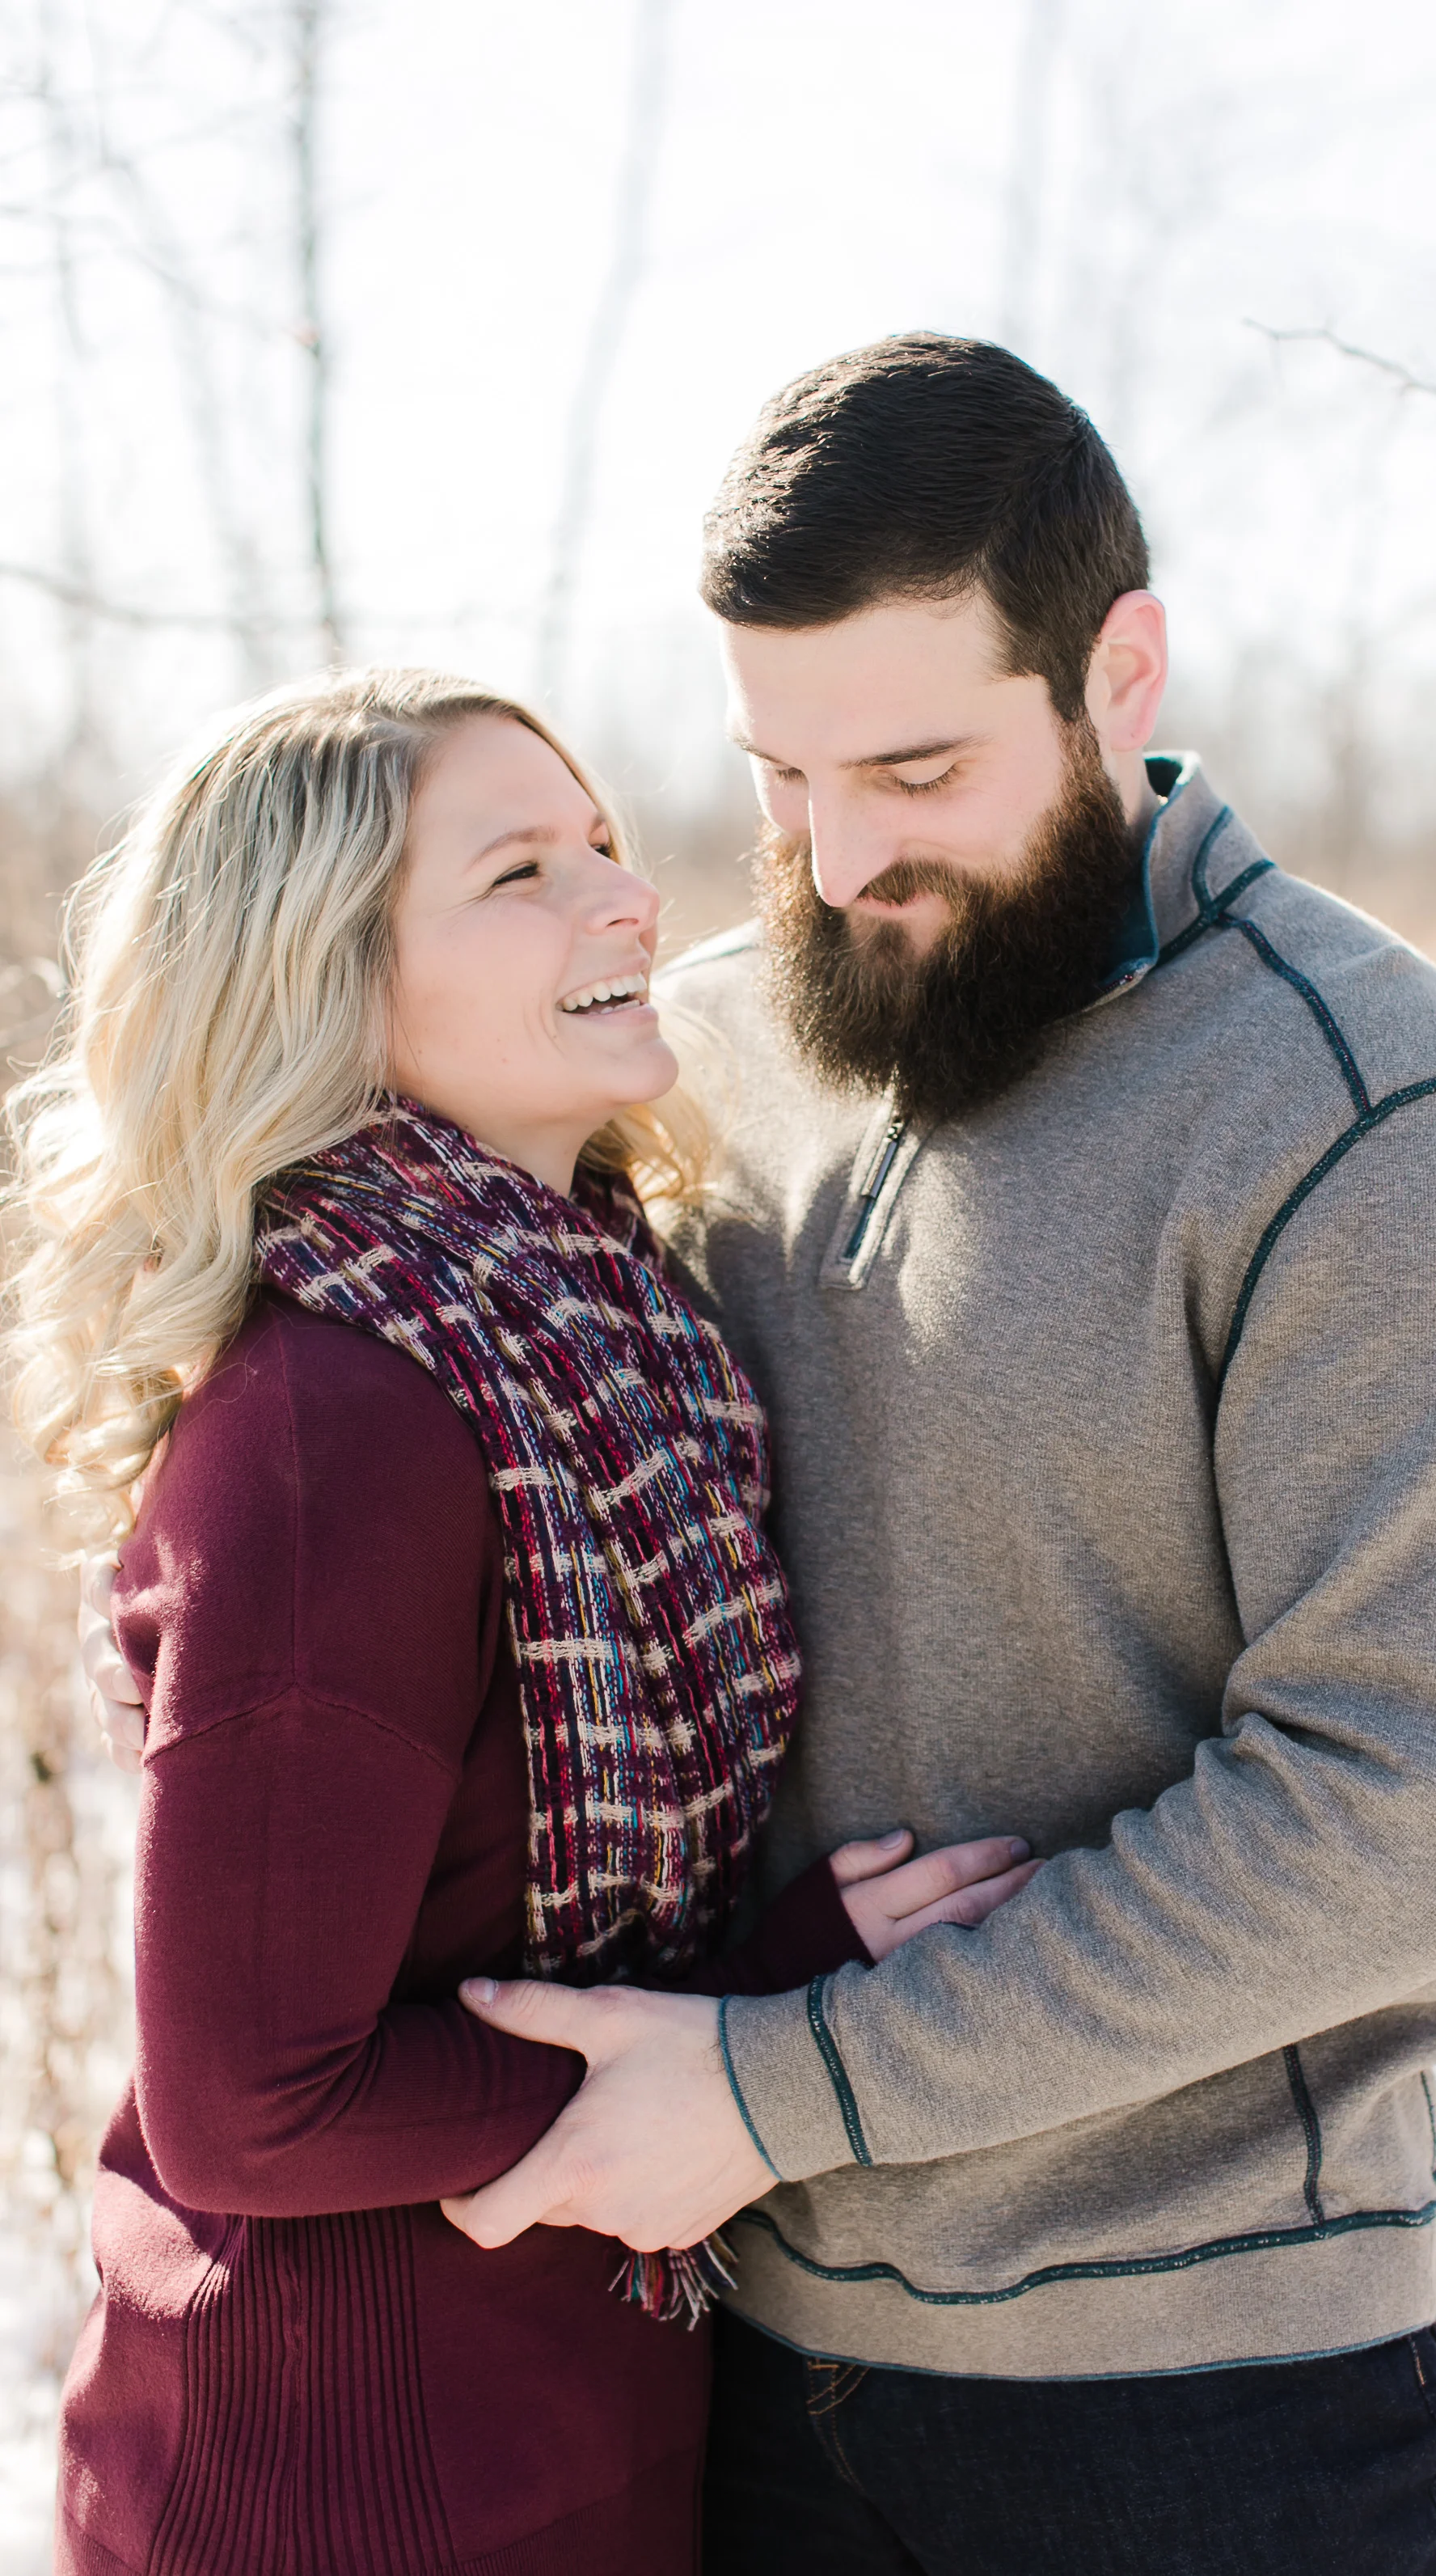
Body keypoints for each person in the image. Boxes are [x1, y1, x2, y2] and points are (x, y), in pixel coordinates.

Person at [349, 338, 1436, 2574]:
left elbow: (1394, 1817)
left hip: (1205, 2424)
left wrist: (782, 2087)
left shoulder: (1370, 1122)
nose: (838, 860)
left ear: (1118, 672)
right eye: (780, 777)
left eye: (916, 767)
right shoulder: (705, 1050)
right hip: (727, 2349)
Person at [15, 667, 1037, 2576]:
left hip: (563, 2442)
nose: (623, 894)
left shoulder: (600, 1336)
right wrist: (754, 2029)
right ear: (326, 983)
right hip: (333, 2496)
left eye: (601, 844)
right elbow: (251, 2098)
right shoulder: (341, 1431)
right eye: (517, 871)